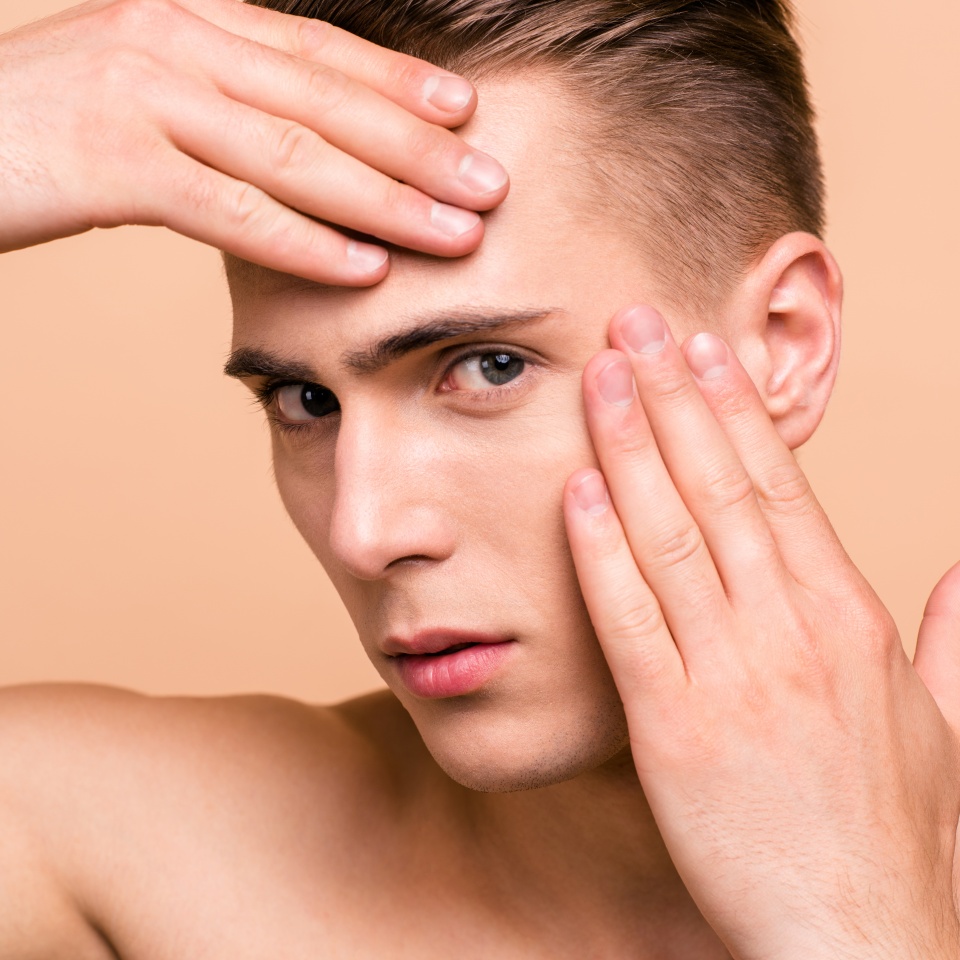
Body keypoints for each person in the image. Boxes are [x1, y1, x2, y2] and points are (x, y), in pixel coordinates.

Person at [1, 1, 959, 958]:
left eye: (489, 366)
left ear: (782, 346)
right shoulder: (134, 850)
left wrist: (857, 926)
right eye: (302, 399)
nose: (363, 529)